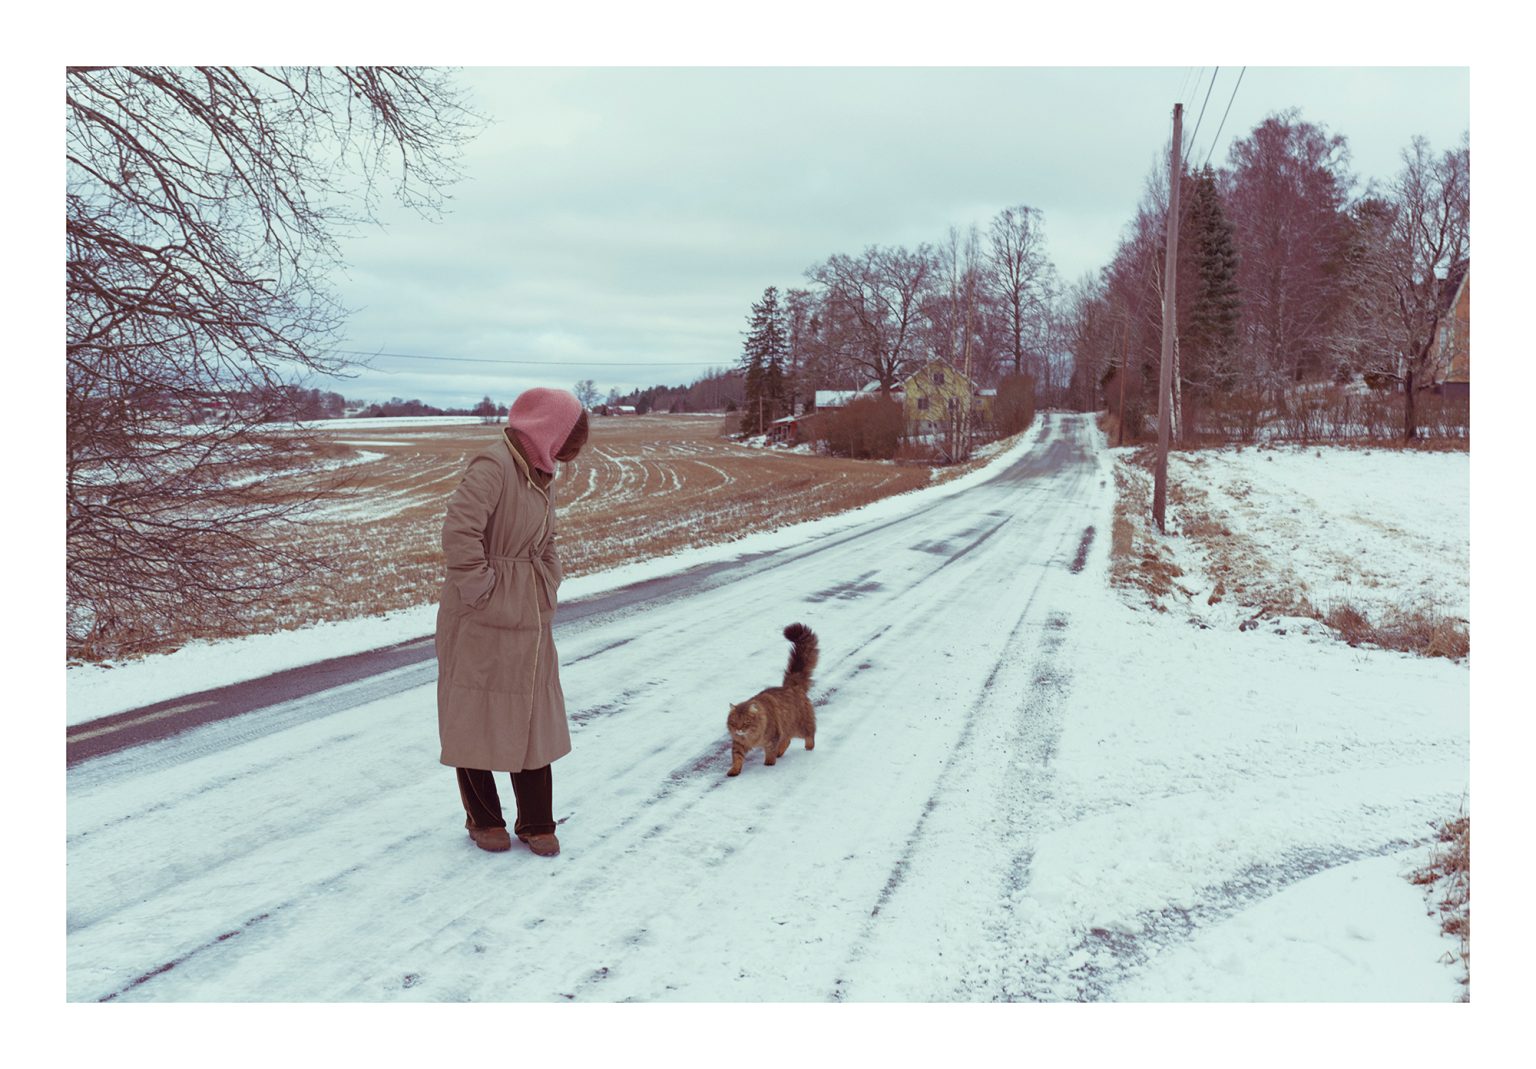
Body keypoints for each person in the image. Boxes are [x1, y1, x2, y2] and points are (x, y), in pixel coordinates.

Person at [435, 387, 589, 855]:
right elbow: (459, 534)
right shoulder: (493, 465)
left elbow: (549, 539)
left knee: (533, 711)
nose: (569, 452)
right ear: (548, 430)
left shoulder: (543, 473)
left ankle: (537, 821)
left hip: (529, 611)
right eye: (568, 439)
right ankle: (483, 819)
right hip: (480, 615)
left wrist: (547, 581)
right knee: (475, 711)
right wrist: (484, 590)